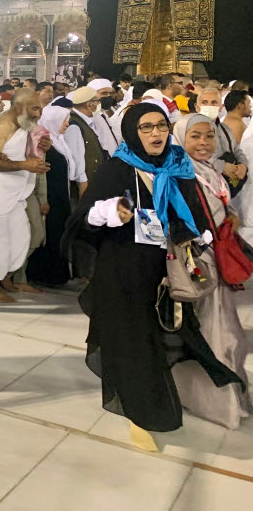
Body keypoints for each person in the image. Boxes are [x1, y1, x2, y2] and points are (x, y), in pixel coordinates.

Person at [63, 104, 243, 448]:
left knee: (169, 335)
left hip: (168, 270)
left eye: (161, 126)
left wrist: (198, 234)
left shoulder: (178, 164)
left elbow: (194, 212)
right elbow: (83, 221)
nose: (156, 134)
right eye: (146, 128)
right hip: (125, 272)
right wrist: (110, 211)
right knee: (134, 340)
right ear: (133, 132)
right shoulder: (120, 167)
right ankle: (145, 411)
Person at [170, 113, 251, 429]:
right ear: (181, 139)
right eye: (195, 137)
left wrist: (230, 216)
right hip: (201, 267)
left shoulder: (209, 170)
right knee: (213, 332)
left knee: (225, 330)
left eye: (209, 136)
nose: (204, 143)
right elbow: (177, 228)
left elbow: (219, 205)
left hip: (219, 262)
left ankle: (227, 397)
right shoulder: (178, 175)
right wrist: (197, 271)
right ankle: (217, 405)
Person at [0, 89, 50, 302]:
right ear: (18, 107)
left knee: (21, 238)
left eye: (40, 108)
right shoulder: (2, 125)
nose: (39, 113)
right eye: (35, 108)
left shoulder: (24, 122)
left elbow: (28, 147)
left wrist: (43, 146)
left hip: (18, 192)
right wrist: (25, 165)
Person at [25, 105, 74, 287]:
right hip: (48, 198)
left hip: (60, 197)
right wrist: (42, 199)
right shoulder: (41, 140)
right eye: (64, 120)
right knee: (45, 236)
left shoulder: (57, 141)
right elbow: (40, 173)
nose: (67, 124)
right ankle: (43, 275)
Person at [66, 86, 105, 199]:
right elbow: (77, 160)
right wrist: (83, 188)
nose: (99, 104)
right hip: (84, 186)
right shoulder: (74, 126)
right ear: (89, 104)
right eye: (97, 101)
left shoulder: (87, 122)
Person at [87, 79, 119, 155]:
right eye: (104, 93)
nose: (108, 96)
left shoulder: (103, 113)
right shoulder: (90, 116)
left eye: (110, 93)